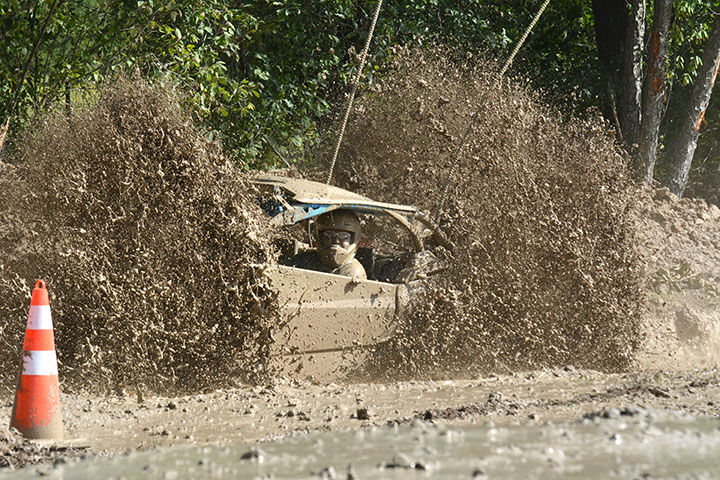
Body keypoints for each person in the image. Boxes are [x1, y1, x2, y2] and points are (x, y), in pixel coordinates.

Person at [290, 209, 367, 280]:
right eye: (328, 234)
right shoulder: (305, 260)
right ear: (319, 237)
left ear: (354, 239)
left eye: (343, 236)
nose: (335, 240)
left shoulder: (353, 272)